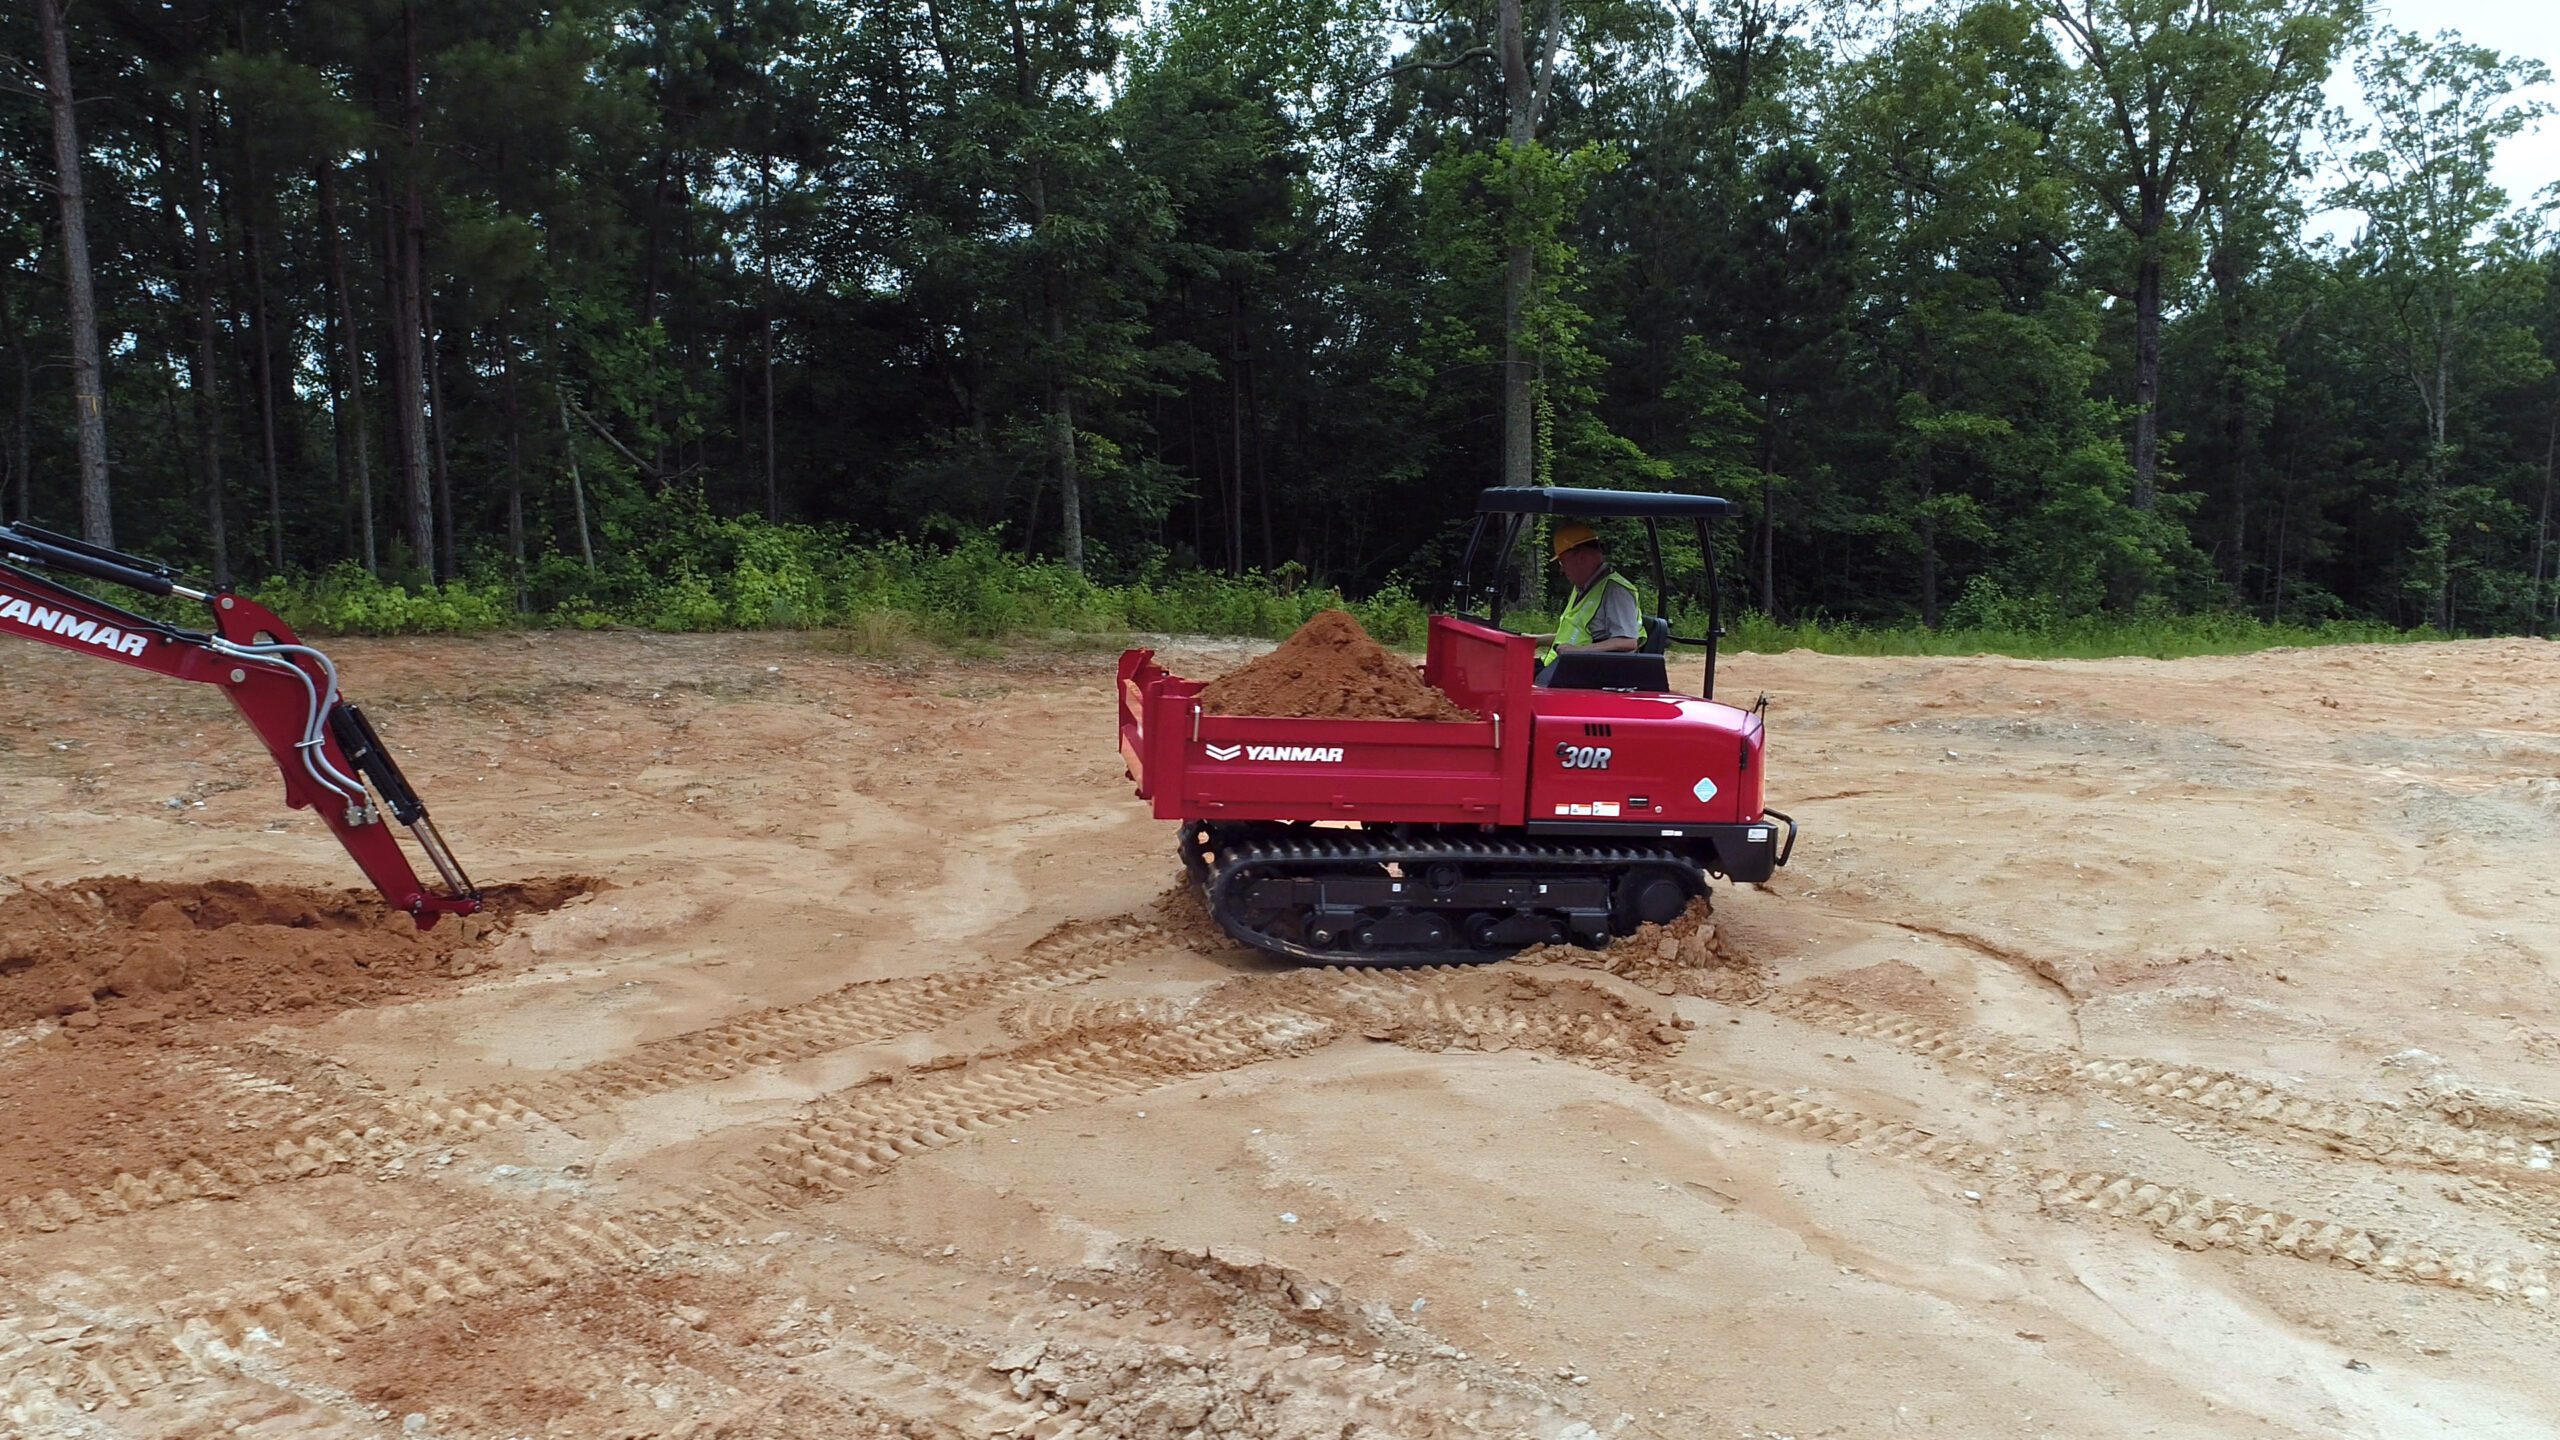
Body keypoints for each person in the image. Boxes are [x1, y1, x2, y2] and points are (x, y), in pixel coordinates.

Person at [1534, 521, 1642, 673]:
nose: (1562, 570)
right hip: (1559, 666)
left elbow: (1627, 642)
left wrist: (1576, 651)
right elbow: (1576, 637)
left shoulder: (1615, 591)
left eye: (1562, 562)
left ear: (1582, 556)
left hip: (1581, 673)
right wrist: (1537, 639)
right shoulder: (1584, 588)